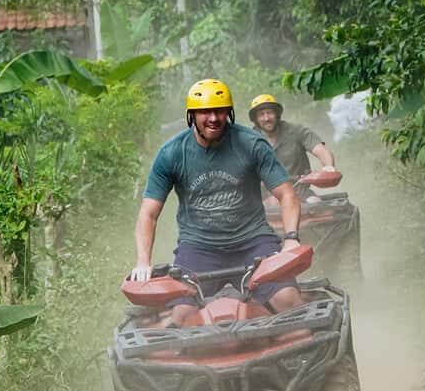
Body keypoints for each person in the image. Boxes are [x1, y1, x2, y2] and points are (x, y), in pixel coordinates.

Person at [129, 79, 304, 326]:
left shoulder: (251, 144)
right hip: (199, 248)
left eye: (220, 110)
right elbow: (148, 213)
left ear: (229, 113)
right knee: (181, 317)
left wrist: (291, 238)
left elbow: (287, 194)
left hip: (253, 241)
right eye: (205, 112)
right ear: (192, 115)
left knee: (288, 300)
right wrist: (143, 262)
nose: (213, 118)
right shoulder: (171, 153)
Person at [248, 94, 336, 201]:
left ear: (277, 114)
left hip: (299, 192)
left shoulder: (297, 131)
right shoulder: (249, 139)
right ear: (256, 119)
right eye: (261, 114)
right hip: (263, 198)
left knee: (316, 204)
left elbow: (322, 151)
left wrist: (328, 168)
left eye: (269, 113)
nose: (266, 118)